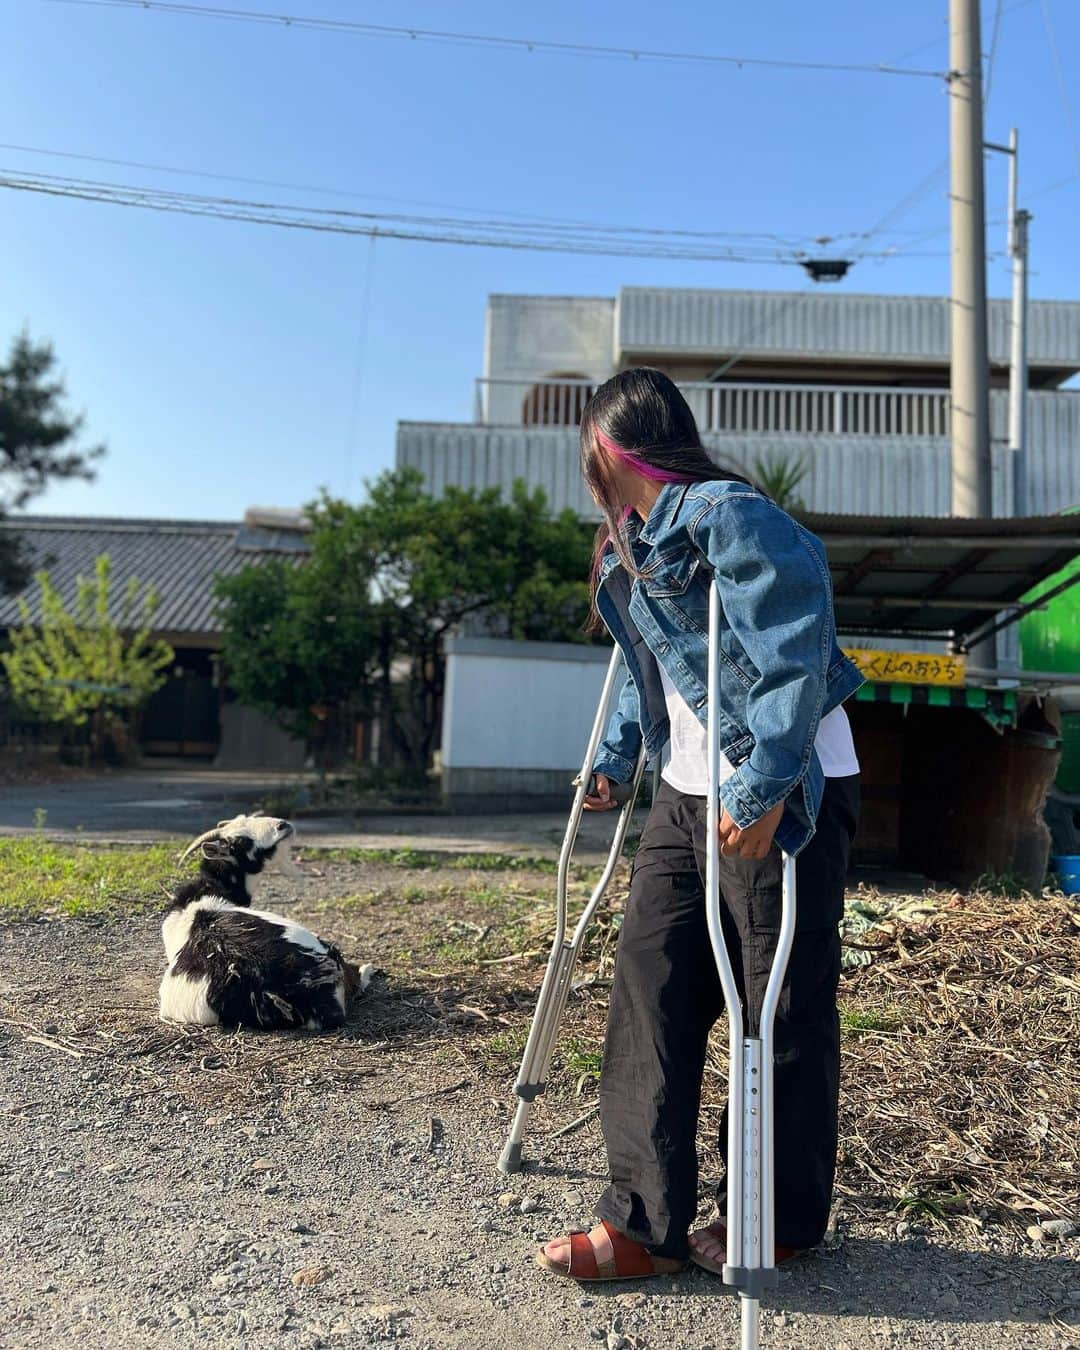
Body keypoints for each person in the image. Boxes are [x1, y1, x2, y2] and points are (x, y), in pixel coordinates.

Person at [537, 368, 864, 1282]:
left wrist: (764, 782)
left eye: (587, 451)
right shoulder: (624, 546)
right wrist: (612, 760)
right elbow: (653, 676)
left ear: (610, 447)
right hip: (687, 794)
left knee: (776, 1001)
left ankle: (777, 1215)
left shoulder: (725, 514)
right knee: (654, 982)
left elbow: (796, 641)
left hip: (784, 782)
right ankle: (644, 1221)